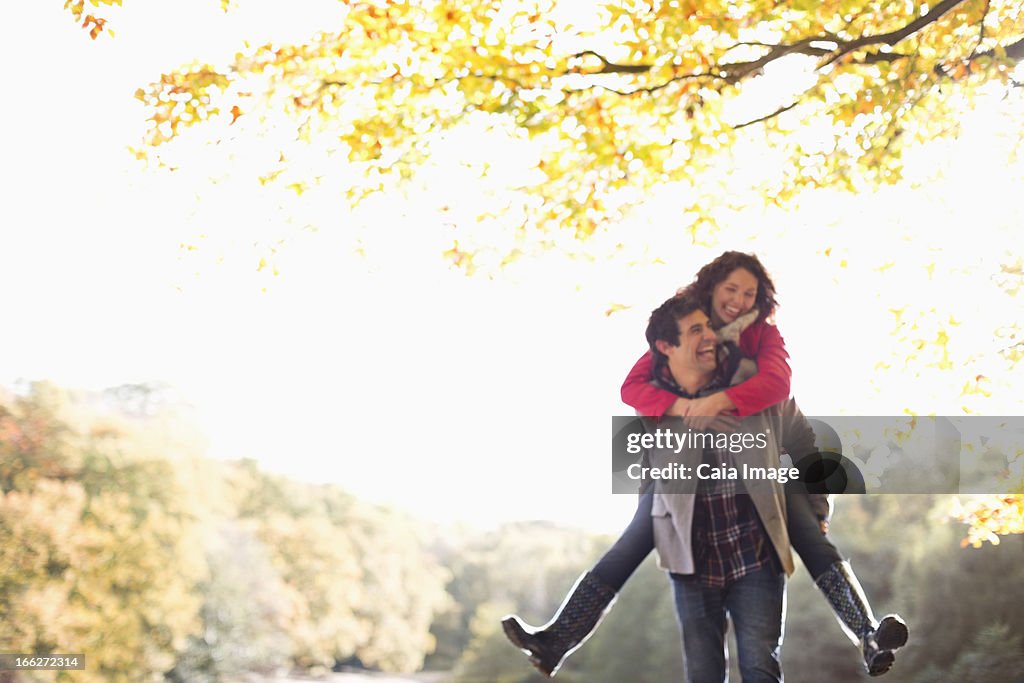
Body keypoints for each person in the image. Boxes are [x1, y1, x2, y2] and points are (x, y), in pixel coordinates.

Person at [502, 252, 907, 678]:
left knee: (809, 531)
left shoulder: (759, 342)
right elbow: (633, 389)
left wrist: (723, 401)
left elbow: (781, 389)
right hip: (682, 498)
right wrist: (681, 407)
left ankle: (867, 633)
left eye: (748, 293)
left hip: (762, 481)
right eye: (730, 289)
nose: (738, 300)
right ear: (709, 289)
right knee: (628, 548)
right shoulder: (678, 345)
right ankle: (555, 640)